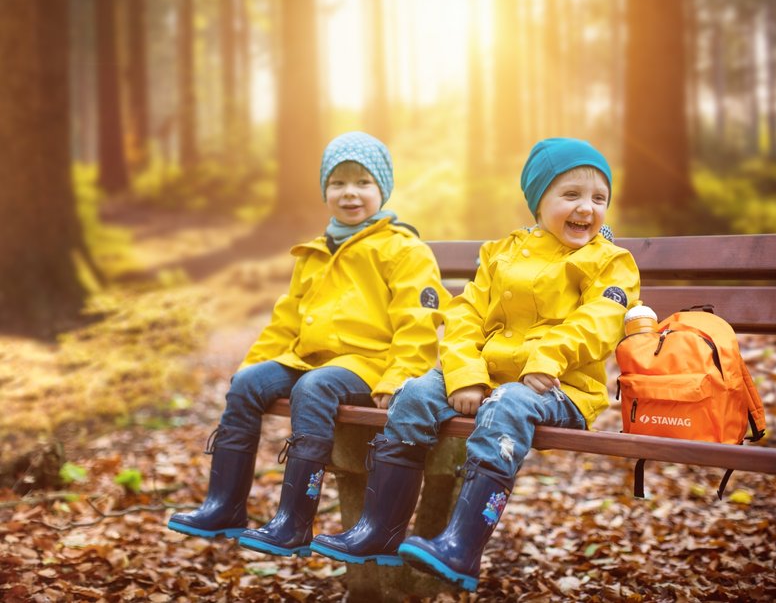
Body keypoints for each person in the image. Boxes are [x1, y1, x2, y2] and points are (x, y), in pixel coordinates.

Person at [311, 137, 641, 591]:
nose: (587, 208)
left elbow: (601, 320)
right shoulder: (501, 252)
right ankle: (380, 531)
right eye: (571, 195)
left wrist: (547, 357)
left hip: (559, 387)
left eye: (598, 198)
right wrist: (465, 375)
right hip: (488, 377)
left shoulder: (610, 263)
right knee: (414, 394)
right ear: (538, 202)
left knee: (507, 405)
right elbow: (465, 316)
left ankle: (461, 545)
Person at [167, 131, 447, 558]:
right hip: (308, 359)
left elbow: (418, 322)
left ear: (382, 190)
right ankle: (224, 505)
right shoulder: (314, 252)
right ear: (324, 191)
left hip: (367, 362)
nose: (349, 193)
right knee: (246, 385)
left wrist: (398, 378)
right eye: (338, 183)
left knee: (313, 388)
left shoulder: (404, 249)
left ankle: (293, 521)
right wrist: (255, 365)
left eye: (362, 182)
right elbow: (286, 321)